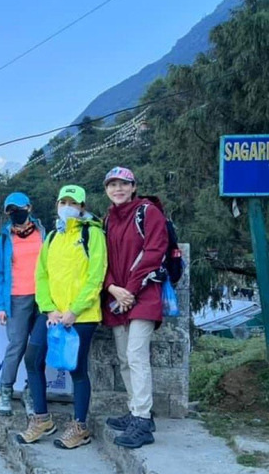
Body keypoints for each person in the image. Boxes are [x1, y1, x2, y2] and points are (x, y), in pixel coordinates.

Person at [16, 185, 107, 450]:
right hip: (52, 314)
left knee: (77, 369)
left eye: (72, 202)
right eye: (62, 201)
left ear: (82, 207)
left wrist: (74, 310)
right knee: (33, 360)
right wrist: (49, 308)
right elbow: (41, 275)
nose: (66, 206)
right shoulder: (53, 237)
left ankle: (80, 427)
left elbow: (96, 276)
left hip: (82, 315)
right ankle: (42, 419)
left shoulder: (93, 235)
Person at [102, 167, 168, 449]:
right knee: (124, 357)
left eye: (123, 184)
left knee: (136, 354)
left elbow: (155, 252)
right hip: (118, 297)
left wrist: (130, 288)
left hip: (144, 294)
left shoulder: (148, 211)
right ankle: (136, 410)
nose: (118, 189)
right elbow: (101, 260)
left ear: (133, 187)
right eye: (112, 185)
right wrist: (112, 287)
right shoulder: (108, 219)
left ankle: (142, 421)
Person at [0, 192, 44, 417]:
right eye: (10, 210)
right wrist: (0, 306)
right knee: (17, 346)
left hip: (43, 299)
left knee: (38, 347)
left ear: (29, 208)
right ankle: (5, 391)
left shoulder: (44, 234)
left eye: (18, 208)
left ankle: (31, 393)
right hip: (17, 298)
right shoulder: (4, 239)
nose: (15, 213)